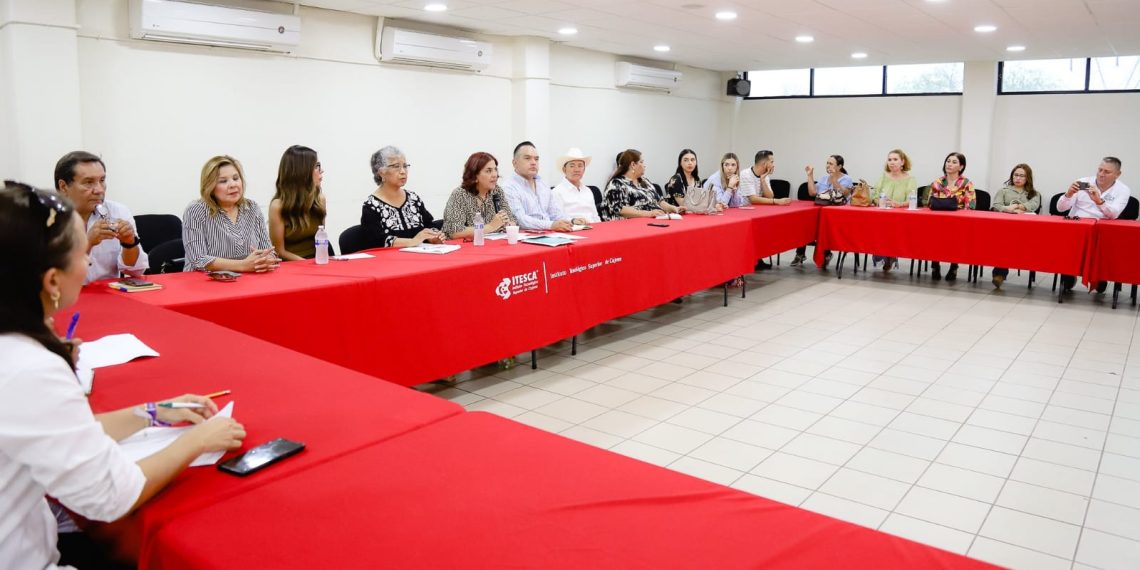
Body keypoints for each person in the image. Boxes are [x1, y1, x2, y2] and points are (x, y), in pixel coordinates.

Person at [0, 181, 246, 568]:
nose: (88, 266)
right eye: (83, 254)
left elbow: (61, 428)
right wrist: (199, 439)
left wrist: (152, 413)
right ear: (51, 281)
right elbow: (111, 496)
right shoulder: (31, 367)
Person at [53, 151, 148, 283]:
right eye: (88, 182)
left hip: (108, 293)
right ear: (63, 187)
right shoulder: (44, 218)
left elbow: (135, 272)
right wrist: (87, 243)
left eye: (102, 180)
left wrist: (129, 243)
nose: (99, 190)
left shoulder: (118, 211)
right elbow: (55, 276)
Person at [182, 155, 276, 273]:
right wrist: (243, 265)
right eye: (223, 181)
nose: (233, 185)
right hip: (205, 279)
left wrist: (267, 258)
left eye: (236, 178)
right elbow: (198, 259)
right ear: (210, 186)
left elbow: (268, 251)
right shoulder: (196, 210)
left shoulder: (252, 207)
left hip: (248, 278)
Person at [1057, 156, 1131, 292]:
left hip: (1103, 232)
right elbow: (1060, 209)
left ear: (1117, 174)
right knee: (1067, 247)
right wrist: (1068, 194)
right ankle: (1069, 273)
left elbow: (1114, 214)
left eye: (1107, 172)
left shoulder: (1123, 190)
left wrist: (1099, 201)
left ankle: (1100, 276)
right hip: (1078, 228)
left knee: (1107, 249)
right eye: (1100, 170)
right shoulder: (1083, 182)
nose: (1101, 174)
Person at [361, 146, 445, 248]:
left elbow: (429, 225)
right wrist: (412, 242)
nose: (403, 171)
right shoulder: (371, 206)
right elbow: (376, 241)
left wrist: (434, 236)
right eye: (396, 166)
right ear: (381, 172)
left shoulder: (413, 199)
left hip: (423, 254)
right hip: (391, 257)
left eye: (405, 166)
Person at [501, 141, 583, 231]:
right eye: (527, 158)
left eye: (536, 159)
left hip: (550, 233)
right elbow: (520, 220)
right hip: (528, 236)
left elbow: (555, 213)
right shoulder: (508, 187)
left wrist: (572, 221)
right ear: (514, 163)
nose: (533, 162)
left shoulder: (542, 184)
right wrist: (551, 225)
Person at [268, 145, 330, 260]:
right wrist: (307, 265)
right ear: (302, 172)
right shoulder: (277, 206)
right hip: (292, 265)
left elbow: (320, 240)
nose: (321, 170)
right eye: (316, 166)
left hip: (316, 262)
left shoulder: (320, 199)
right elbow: (279, 251)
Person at [793, 155, 854, 267]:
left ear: (839, 166)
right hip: (822, 212)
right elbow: (812, 193)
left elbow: (844, 193)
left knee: (823, 226)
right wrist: (810, 175)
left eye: (831, 164)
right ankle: (800, 253)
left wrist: (834, 178)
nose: (828, 166)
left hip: (838, 215)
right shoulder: (823, 178)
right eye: (827, 163)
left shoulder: (847, 179)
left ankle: (826, 253)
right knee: (805, 222)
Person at [441, 152, 518, 239]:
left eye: (495, 170)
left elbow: (512, 221)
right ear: (474, 176)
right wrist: (490, 227)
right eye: (488, 171)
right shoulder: (460, 194)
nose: (495, 175)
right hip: (464, 246)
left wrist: (508, 225)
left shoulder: (497, 191)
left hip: (492, 244)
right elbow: (454, 232)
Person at [990, 163, 1042, 288]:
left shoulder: (1034, 193)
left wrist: (1019, 206)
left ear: (1027, 178)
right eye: (1016, 175)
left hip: (1025, 229)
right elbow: (996, 205)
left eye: (1022, 176)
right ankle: (999, 274)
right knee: (1004, 241)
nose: (1018, 178)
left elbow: (1034, 205)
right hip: (1005, 227)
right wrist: (1009, 209)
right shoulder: (1003, 191)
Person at [928, 152, 975, 282]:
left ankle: (954, 266)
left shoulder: (966, 183)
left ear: (961, 167)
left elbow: (970, 205)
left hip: (957, 220)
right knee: (933, 235)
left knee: (956, 237)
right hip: (938, 219)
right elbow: (929, 202)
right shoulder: (937, 182)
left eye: (954, 162)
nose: (949, 164)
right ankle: (935, 265)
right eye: (948, 161)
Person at [603, 149, 683, 220]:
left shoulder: (645, 181)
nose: (644, 165)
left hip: (654, 221)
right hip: (629, 226)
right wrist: (649, 214)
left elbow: (659, 201)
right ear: (633, 165)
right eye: (641, 162)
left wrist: (673, 208)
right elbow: (621, 209)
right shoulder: (616, 184)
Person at [872, 149, 918, 272]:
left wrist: (899, 204)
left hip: (900, 217)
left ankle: (890, 255)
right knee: (876, 227)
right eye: (889, 160)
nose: (892, 162)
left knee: (891, 228)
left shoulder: (910, 179)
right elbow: (875, 195)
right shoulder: (883, 177)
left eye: (895, 159)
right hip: (882, 214)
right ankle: (885, 256)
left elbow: (911, 200)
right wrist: (879, 201)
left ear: (902, 162)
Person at [551, 147, 601, 224]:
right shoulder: (557, 192)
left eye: (580, 166)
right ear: (564, 169)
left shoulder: (588, 191)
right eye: (572, 166)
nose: (576, 170)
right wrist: (574, 221)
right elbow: (557, 218)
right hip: (573, 228)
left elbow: (595, 217)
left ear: (584, 169)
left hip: (594, 227)